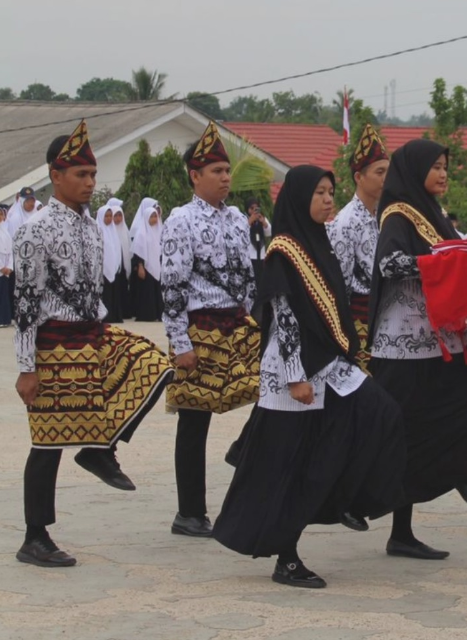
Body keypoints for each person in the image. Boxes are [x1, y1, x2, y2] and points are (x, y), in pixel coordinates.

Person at [213, 166, 406, 588]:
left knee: (380, 414)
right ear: (300, 198)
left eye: (330, 192)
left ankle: (348, 498)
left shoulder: (318, 241)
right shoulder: (283, 250)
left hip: (330, 365)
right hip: (293, 373)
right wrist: (295, 376)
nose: (327, 199)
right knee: (289, 465)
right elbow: (283, 319)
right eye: (318, 192)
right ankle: (286, 557)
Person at [13, 121, 173, 568]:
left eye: (92, 175)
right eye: (80, 175)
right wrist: (27, 366)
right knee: (47, 442)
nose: (89, 183)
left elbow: (92, 290)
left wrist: (104, 328)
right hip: (53, 344)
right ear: (54, 175)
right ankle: (35, 536)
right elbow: (26, 302)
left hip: (92, 334)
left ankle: (100, 448)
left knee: (152, 363)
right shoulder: (35, 228)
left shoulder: (90, 226)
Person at [368, 139, 467, 560]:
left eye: (447, 166)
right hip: (404, 346)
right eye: (437, 167)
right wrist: (440, 264)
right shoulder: (396, 212)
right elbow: (389, 265)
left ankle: (462, 464)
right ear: (414, 171)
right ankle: (397, 529)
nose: (445, 174)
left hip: (443, 336)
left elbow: (456, 254)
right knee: (405, 437)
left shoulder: (432, 213)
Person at [160, 121, 261, 537]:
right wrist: (179, 341)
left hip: (239, 325)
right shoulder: (180, 220)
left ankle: (243, 451)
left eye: (226, 170)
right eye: (216, 171)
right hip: (199, 329)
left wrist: (255, 318)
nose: (224, 177)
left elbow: (250, 274)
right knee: (194, 419)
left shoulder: (239, 218)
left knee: (275, 392)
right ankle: (190, 512)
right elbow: (172, 286)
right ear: (194, 175)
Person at [327, 124, 389, 370]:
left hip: (383, 317)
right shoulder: (346, 222)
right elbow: (340, 286)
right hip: (360, 321)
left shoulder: (384, 215)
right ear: (358, 177)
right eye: (380, 172)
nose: (386, 179)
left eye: (388, 172)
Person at [131, 203, 164, 321]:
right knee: (147, 291)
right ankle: (147, 315)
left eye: (155, 216)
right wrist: (140, 266)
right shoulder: (141, 233)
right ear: (146, 218)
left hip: (158, 266)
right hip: (146, 266)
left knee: (157, 291)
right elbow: (138, 251)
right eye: (152, 217)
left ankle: (158, 314)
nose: (154, 219)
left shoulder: (160, 231)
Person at [96, 205, 124, 323]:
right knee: (106, 294)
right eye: (106, 216)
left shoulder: (113, 230)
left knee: (114, 293)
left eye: (110, 216)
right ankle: (106, 316)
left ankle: (115, 315)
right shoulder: (98, 230)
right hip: (102, 269)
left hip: (114, 268)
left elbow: (116, 250)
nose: (108, 219)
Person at [244, 197, 271, 287]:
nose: (254, 210)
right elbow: (241, 233)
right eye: (252, 208)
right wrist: (249, 222)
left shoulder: (262, 218)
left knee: (261, 279)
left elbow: (269, 233)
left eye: (256, 208)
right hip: (250, 255)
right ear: (247, 209)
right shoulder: (244, 219)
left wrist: (263, 222)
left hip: (261, 255)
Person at [0, 207, 13, 327]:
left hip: (5, 271)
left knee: (4, 295)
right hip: (1, 269)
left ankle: (5, 319)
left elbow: (11, 252)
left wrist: (8, 267)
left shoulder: (5, 232)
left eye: (1, 214)